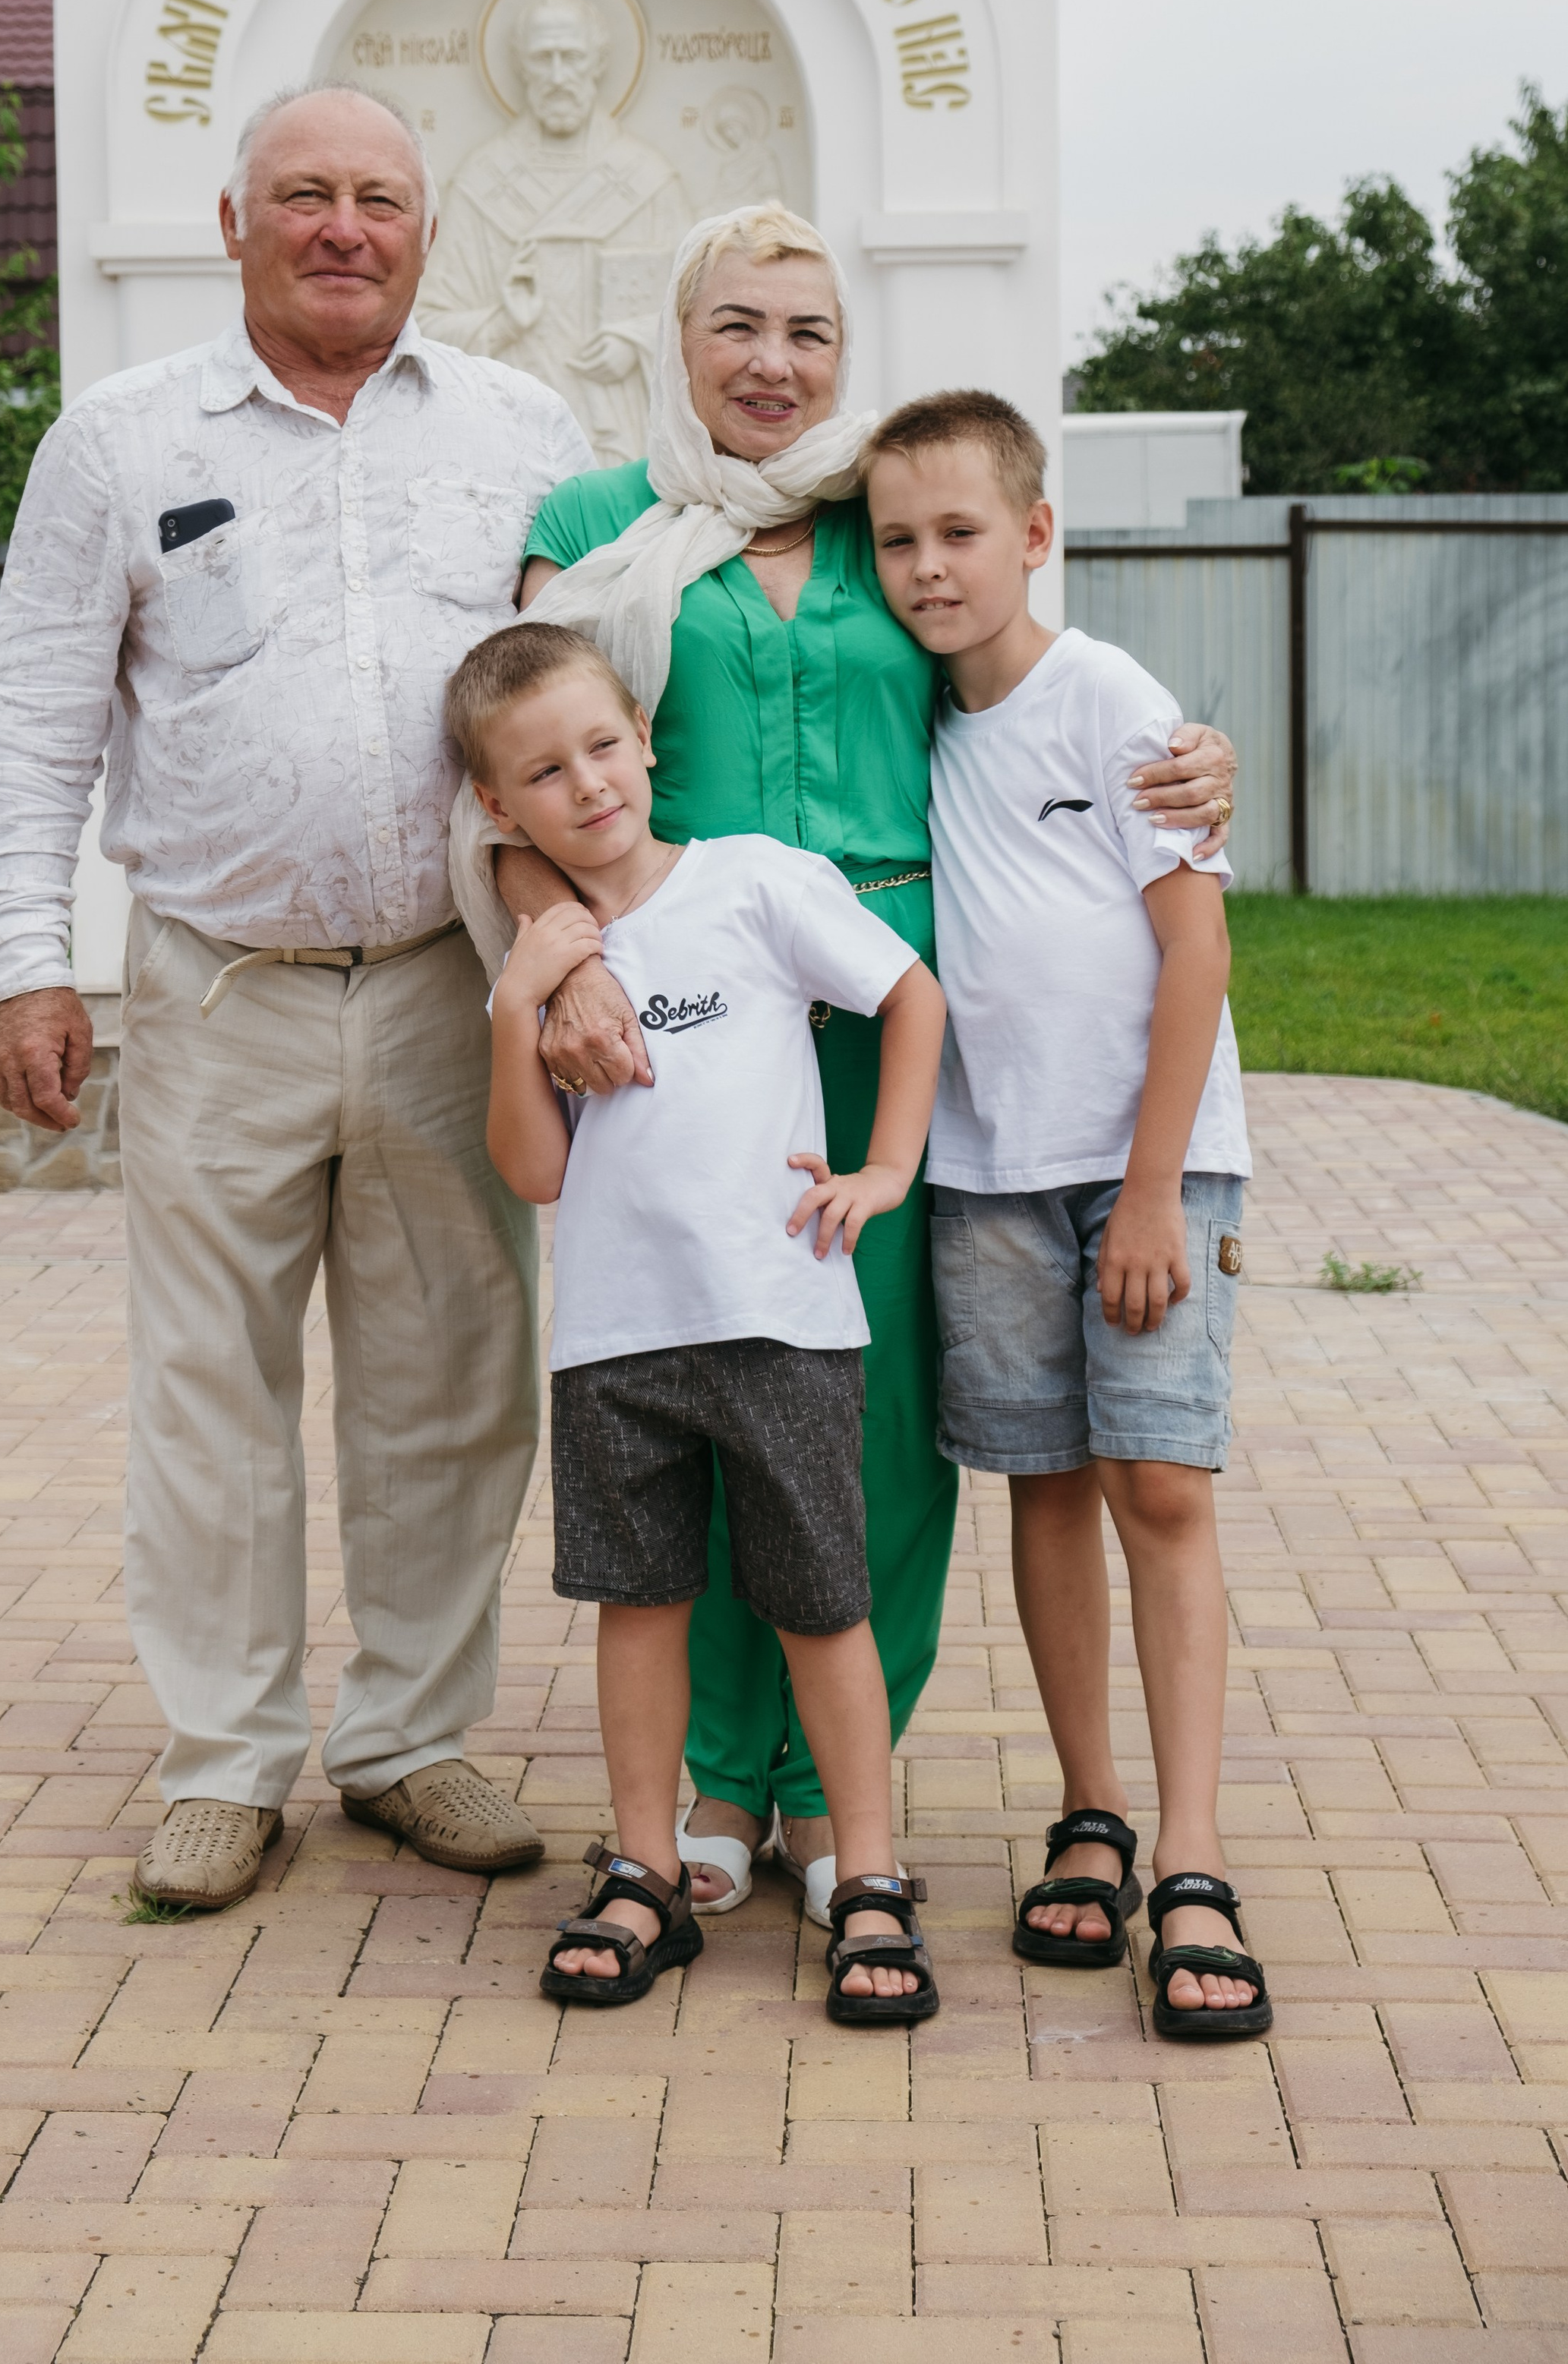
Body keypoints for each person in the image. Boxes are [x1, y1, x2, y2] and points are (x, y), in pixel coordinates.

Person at [449, 201, 1240, 1927]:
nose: (771, 361)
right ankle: (719, 1776)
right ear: (679, 337)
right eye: (736, 324)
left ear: (844, 353)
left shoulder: (888, 510)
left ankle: (832, 1788)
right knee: (697, 1367)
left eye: (806, 331)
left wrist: (1188, 755)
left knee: (866, 1410)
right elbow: (511, 775)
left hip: (898, 1007)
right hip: (680, 1007)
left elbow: (1034, 688)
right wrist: (554, 953)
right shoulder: (596, 524)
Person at [0, 83, 592, 1911]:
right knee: (205, 1388)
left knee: (452, 1379)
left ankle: (408, 1739)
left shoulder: (519, 432)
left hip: (448, 988)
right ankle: (225, 1762)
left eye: (378, 198)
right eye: (302, 194)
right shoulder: (119, 440)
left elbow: (588, 695)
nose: (342, 228)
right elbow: (32, 719)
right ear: (232, 224)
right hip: (213, 987)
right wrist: (26, 962)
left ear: (424, 230)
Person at [450, 619, 945, 2025]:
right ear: (498, 806)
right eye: (545, 772)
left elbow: (911, 994)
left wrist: (887, 1168)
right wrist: (519, 1001)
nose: (588, 785)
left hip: (781, 1318)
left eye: (603, 746)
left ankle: (870, 1876)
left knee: (823, 1606)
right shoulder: (546, 959)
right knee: (640, 1604)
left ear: (646, 742)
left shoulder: (754, 882)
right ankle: (646, 1872)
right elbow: (535, 1170)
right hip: (617, 1339)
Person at [864, 390, 1270, 2040]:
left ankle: (1193, 1855)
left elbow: (1196, 949)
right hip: (985, 1170)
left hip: (1144, 1165)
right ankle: (1088, 1814)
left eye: (959, 532)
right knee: (1039, 1484)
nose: (926, 566)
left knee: (1155, 1483)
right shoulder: (907, 718)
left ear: (1034, 534)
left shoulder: (1108, 698)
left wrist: (1154, 1187)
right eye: (897, 539)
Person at [418, 0, 689, 464]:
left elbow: (703, 311)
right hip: (507, 433)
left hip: (620, 435)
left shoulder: (647, 181)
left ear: (599, 63)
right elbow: (424, 325)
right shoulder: (481, 183)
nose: (559, 76)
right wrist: (503, 323)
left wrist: (634, 342)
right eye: (543, 58)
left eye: (573, 56)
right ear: (521, 67)